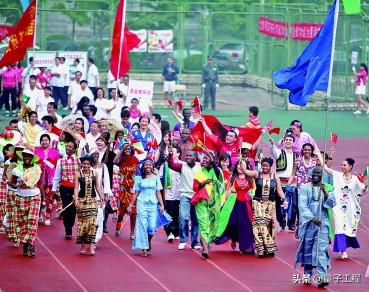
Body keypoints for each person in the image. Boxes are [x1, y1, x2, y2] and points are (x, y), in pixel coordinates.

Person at [294, 167, 336, 288]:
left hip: (323, 224)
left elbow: (332, 203)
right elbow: (302, 206)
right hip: (308, 224)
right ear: (311, 175)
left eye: (319, 173)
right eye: (315, 173)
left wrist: (325, 193)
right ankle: (307, 274)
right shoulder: (305, 188)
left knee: (321, 250)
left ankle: (322, 277)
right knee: (308, 249)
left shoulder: (327, 187)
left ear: (322, 175)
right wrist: (312, 218)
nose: (316, 175)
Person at [323, 157, 367, 260]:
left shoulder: (355, 179)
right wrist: (318, 154)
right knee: (339, 227)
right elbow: (325, 168)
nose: (342, 167)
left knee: (348, 228)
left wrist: (365, 183)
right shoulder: (338, 176)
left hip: (351, 209)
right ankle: (343, 251)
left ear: (350, 167)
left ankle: (346, 246)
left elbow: (363, 189)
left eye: (345, 165)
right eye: (342, 165)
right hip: (338, 207)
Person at [215, 158, 257, 254]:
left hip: (246, 205)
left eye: (242, 164)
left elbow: (254, 190)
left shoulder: (250, 178)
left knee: (245, 225)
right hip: (234, 204)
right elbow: (227, 191)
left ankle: (245, 246)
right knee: (232, 223)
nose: (240, 166)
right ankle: (233, 238)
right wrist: (221, 203)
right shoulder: (232, 177)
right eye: (238, 164)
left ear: (246, 167)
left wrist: (251, 196)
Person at [128, 159, 164, 256]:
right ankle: (144, 247)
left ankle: (148, 241)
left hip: (153, 204)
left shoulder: (156, 178)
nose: (148, 167)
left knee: (152, 227)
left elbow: (158, 192)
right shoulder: (139, 178)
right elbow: (136, 193)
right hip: (142, 203)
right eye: (146, 165)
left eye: (150, 165)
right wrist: (130, 205)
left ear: (152, 167)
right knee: (142, 225)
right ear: (143, 167)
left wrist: (162, 205)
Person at [10, 148, 42, 257]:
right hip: (20, 197)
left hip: (35, 196)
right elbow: (12, 183)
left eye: (29, 156)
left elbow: (40, 183)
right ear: (22, 157)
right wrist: (18, 185)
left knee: (32, 221)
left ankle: (31, 244)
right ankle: (25, 245)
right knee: (22, 222)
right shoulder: (16, 169)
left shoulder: (36, 169)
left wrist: (44, 200)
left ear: (32, 158)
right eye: (25, 156)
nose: (26, 158)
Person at [252, 157, 287, 257]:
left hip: (270, 205)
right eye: (263, 165)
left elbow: (279, 190)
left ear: (270, 166)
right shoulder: (257, 174)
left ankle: (268, 250)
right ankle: (261, 249)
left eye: (266, 166)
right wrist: (241, 160)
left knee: (269, 226)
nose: (264, 167)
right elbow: (246, 171)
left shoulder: (275, 177)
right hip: (258, 203)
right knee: (259, 225)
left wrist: (284, 199)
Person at [192, 151, 223, 259]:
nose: (204, 160)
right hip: (201, 202)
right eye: (203, 158)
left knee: (214, 225)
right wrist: (202, 183)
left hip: (214, 202)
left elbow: (216, 168)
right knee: (203, 224)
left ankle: (207, 239)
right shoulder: (200, 172)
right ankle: (205, 249)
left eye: (207, 158)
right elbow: (195, 188)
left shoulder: (217, 171)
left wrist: (211, 156)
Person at [168, 148, 201, 250]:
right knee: (183, 217)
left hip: (197, 196)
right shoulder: (182, 166)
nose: (188, 157)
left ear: (195, 157)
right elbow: (171, 165)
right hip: (185, 195)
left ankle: (195, 242)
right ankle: (183, 240)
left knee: (196, 220)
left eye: (190, 156)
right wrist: (170, 155)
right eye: (186, 156)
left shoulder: (200, 167)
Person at [74, 156, 104, 255]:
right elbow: (76, 188)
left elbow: (98, 187)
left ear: (90, 164)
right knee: (82, 224)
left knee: (92, 224)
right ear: (81, 164)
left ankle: (91, 246)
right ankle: (83, 245)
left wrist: (102, 197)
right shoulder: (78, 173)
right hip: (82, 201)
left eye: (87, 164)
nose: (86, 166)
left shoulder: (95, 173)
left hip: (92, 201)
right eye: (84, 164)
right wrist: (76, 199)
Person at [270, 134, 298, 232]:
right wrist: (272, 144)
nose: (288, 141)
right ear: (283, 141)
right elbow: (273, 152)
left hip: (292, 182)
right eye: (286, 140)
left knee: (293, 204)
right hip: (280, 181)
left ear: (293, 142)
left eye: (290, 140)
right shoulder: (279, 153)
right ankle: (282, 222)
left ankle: (291, 224)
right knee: (280, 203)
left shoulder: (296, 155)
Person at [52, 141, 79, 240]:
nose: (68, 148)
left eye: (70, 146)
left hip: (76, 188)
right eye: (67, 146)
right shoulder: (60, 161)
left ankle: (70, 226)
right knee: (66, 208)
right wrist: (54, 189)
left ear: (74, 149)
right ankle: (68, 230)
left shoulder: (79, 160)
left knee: (74, 209)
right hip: (65, 187)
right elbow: (57, 176)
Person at [113, 143, 139, 239]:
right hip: (123, 188)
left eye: (129, 149)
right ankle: (119, 223)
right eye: (125, 149)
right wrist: (121, 149)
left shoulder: (136, 160)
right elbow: (114, 161)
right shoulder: (121, 160)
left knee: (133, 211)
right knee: (122, 211)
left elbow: (139, 173)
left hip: (133, 188)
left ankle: (132, 232)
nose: (127, 150)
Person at [34, 134, 60, 225]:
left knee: (49, 198)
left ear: (49, 141)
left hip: (50, 179)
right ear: (40, 142)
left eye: (46, 140)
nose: (44, 142)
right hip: (39, 178)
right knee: (39, 197)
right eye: (42, 140)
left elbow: (58, 166)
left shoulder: (55, 152)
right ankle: (39, 215)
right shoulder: (36, 151)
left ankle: (48, 216)